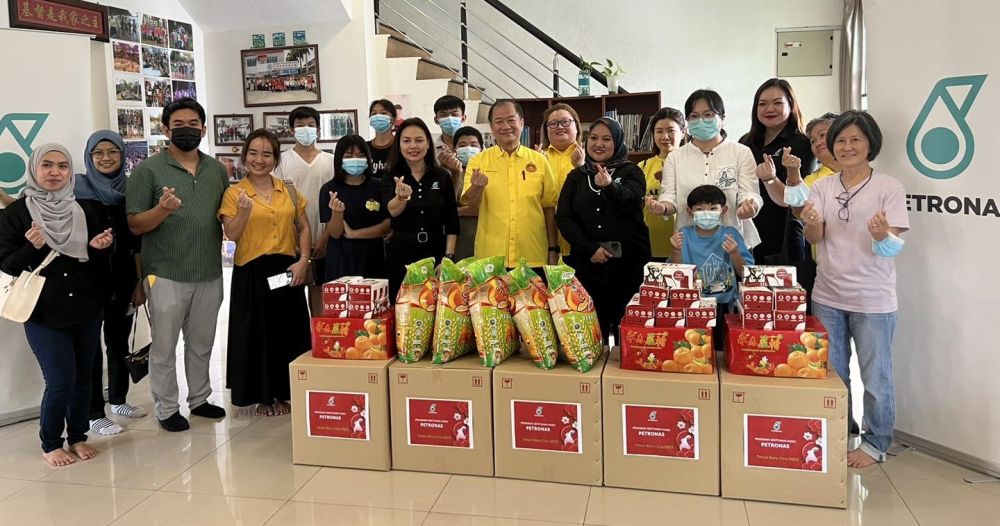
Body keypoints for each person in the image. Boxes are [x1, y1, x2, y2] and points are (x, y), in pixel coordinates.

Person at [801, 110, 909, 468]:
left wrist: (883, 235)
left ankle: (876, 442)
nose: (847, 147)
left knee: (875, 377)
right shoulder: (822, 186)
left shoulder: (888, 187)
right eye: (840, 140)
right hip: (827, 294)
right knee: (833, 373)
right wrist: (811, 224)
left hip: (872, 299)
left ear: (870, 144)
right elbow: (815, 239)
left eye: (855, 140)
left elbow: (891, 247)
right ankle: (839, 431)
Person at [0, 144, 114, 466]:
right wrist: (30, 248)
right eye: (47, 165)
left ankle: (77, 436)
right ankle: (51, 442)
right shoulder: (15, 214)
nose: (55, 172)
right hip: (43, 311)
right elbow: (7, 265)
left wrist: (99, 247)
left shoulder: (86, 209)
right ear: (34, 168)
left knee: (83, 377)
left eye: (62, 166)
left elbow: (98, 261)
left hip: (86, 307)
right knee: (60, 379)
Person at [126, 98, 229, 432]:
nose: (187, 130)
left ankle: (199, 399)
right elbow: (136, 225)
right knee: (164, 346)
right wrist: (163, 210)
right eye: (179, 125)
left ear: (203, 127)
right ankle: (167, 407)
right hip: (164, 273)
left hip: (209, 272)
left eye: (193, 124)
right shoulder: (148, 171)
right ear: (166, 129)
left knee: (202, 343)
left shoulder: (216, 170)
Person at [219, 129, 311, 416]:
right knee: (256, 334)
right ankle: (263, 396)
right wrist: (244, 211)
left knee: (287, 330)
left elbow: (304, 227)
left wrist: (304, 261)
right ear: (245, 156)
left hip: (285, 269)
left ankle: (286, 392)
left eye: (267, 154)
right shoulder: (234, 193)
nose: (259, 159)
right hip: (252, 273)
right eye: (254, 153)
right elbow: (231, 235)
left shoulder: (289, 189)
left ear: (275, 158)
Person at [75, 131, 147, 436]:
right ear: (89, 157)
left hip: (123, 277)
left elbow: (138, 243)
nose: (105, 158)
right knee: (90, 349)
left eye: (112, 152)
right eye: (98, 153)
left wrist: (139, 282)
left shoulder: (131, 189)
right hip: (88, 281)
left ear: (122, 155)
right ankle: (94, 412)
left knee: (118, 343)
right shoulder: (75, 188)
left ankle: (118, 399)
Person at [556, 117, 649, 341]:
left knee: (627, 328)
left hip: (627, 265)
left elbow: (631, 201)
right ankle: (594, 376)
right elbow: (564, 217)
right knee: (591, 326)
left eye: (606, 139)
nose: (599, 143)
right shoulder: (576, 177)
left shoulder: (631, 172)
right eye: (594, 138)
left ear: (617, 143)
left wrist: (610, 186)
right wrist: (590, 249)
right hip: (587, 264)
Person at [647, 89, 762, 250]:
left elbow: (750, 193)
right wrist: (663, 207)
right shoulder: (675, 157)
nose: (701, 120)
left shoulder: (741, 153)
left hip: (732, 244)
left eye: (708, 115)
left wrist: (749, 206)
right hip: (689, 244)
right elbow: (669, 196)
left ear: (722, 119)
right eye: (694, 116)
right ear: (687, 121)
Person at [462, 100, 560, 270]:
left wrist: (553, 248)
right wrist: (477, 187)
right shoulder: (478, 161)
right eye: (499, 122)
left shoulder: (539, 160)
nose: (506, 126)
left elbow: (548, 208)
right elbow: (471, 203)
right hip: (491, 259)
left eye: (511, 120)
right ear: (492, 127)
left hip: (533, 256)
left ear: (521, 123)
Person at [380, 118, 459, 297]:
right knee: (403, 312)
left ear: (428, 144)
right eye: (406, 141)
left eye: (419, 140)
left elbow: (452, 222)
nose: (413, 146)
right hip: (401, 255)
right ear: (399, 145)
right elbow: (391, 210)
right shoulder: (391, 176)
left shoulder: (441, 177)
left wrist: (448, 258)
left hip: (436, 253)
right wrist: (401, 197)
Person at [740, 78, 815, 264]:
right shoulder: (745, 142)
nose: (769, 109)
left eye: (777, 103)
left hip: (784, 236)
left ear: (791, 105)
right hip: (748, 231)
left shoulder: (802, 143)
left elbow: (796, 197)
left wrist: (771, 178)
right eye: (762, 104)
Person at [670, 184, 753, 346]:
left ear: (723, 211)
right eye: (699, 209)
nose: (706, 213)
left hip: (724, 304)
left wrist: (735, 253)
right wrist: (675, 250)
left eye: (713, 208)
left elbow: (747, 274)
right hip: (691, 304)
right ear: (690, 212)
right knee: (694, 347)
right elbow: (675, 273)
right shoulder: (683, 234)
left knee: (722, 348)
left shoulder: (731, 234)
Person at [273, 106, 334, 313]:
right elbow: (276, 202)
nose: (306, 130)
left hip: (326, 239)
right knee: (288, 290)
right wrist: (297, 239)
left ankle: (318, 340)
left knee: (320, 292)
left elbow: (337, 202)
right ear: (292, 130)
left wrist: (325, 237)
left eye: (311, 125)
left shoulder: (330, 160)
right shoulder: (281, 161)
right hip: (291, 241)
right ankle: (298, 342)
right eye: (300, 126)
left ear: (318, 129)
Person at [319, 135, 389, 280]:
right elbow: (335, 233)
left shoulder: (378, 186)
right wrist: (337, 213)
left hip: (372, 259)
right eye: (349, 156)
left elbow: (386, 226)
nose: (355, 159)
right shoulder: (329, 189)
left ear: (368, 158)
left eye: (360, 155)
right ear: (339, 159)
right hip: (341, 261)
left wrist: (355, 234)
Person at [638, 108, 685, 260]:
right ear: (652, 134)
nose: (665, 137)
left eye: (671, 130)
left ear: (683, 132)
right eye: (659, 131)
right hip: (650, 244)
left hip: (685, 244)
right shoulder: (643, 166)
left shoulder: (692, 164)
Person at [540, 103, 585, 258]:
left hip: (581, 244)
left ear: (577, 126)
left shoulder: (591, 157)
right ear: (546, 130)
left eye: (565, 122)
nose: (559, 127)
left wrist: (581, 166)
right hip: (544, 244)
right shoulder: (537, 159)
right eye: (553, 123)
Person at [451, 126, 484, 261]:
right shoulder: (450, 173)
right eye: (462, 145)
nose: (468, 148)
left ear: (482, 148)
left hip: (485, 235)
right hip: (460, 239)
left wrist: (457, 212)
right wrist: (456, 174)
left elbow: (483, 208)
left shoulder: (488, 171)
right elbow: (446, 207)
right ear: (455, 150)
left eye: (473, 145)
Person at [367, 99, 397, 180]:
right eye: (374, 113)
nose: (378, 116)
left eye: (383, 113)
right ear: (370, 120)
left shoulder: (400, 146)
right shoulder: (365, 148)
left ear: (393, 119)